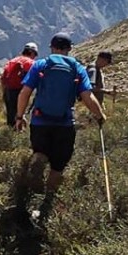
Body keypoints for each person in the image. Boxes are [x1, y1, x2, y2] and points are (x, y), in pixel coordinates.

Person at [15, 33, 106, 195]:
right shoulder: (77, 68)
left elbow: (25, 93)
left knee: (40, 151)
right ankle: (49, 195)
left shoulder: (40, 65)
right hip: (64, 123)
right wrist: (99, 115)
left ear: (52, 48)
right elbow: (87, 96)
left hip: (40, 121)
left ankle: (39, 160)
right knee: (59, 164)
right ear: (69, 49)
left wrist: (19, 117)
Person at [0, 43, 39, 126]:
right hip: (22, 92)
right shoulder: (31, 63)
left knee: (11, 118)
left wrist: (4, 94)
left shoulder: (11, 61)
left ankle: (9, 135)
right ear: (32, 53)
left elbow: (3, 79)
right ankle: (21, 135)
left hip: (8, 92)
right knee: (21, 117)